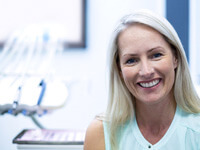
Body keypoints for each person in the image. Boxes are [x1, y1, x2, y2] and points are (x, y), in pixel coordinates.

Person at [84, 9, 200, 150]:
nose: (146, 71)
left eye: (156, 55)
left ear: (175, 58)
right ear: (119, 69)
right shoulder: (100, 133)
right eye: (132, 60)